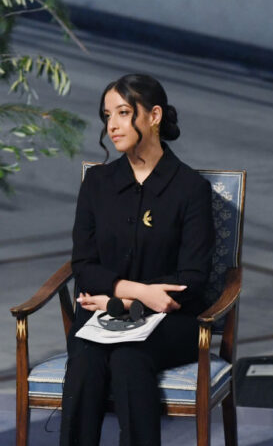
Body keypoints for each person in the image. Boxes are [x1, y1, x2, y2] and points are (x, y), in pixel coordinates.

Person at [60, 74, 214, 446]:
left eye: (124, 112)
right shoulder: (97, 183)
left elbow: (192, 278)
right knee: (84, 363)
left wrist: (129, 301)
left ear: (154, 115)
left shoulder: (191, 189)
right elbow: (83, 264)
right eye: (107, 115)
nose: (111, 125)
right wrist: (132, 296)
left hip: (170, 320)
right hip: (102, 314)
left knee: (130, 358)